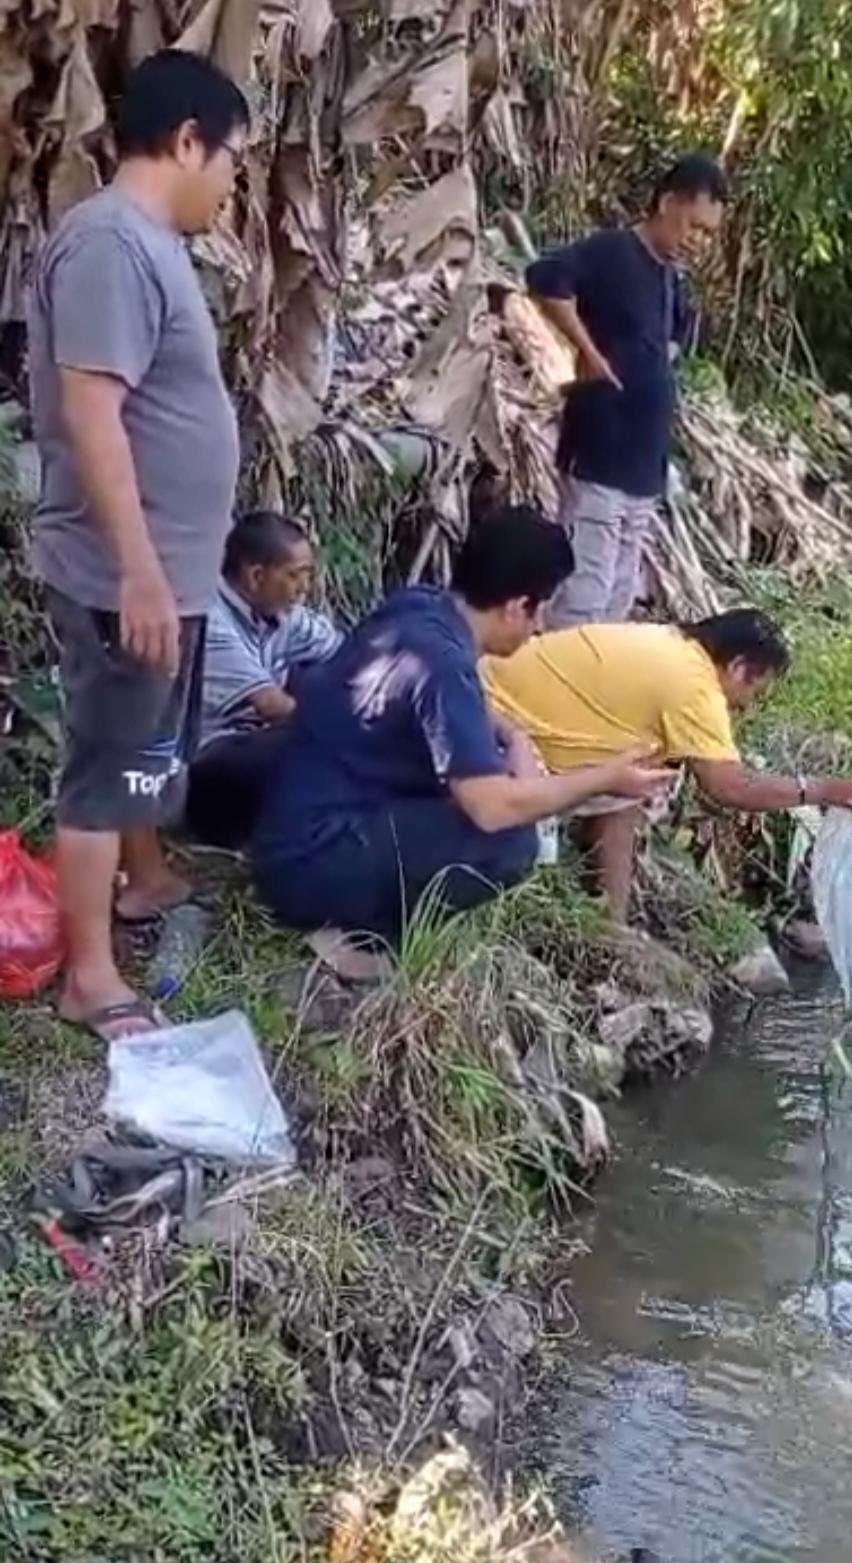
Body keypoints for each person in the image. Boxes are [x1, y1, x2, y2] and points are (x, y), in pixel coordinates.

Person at [28, 50, 249, 1041]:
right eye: (232, 158)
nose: (233, 182)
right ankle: (89, 976)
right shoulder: (110, 244)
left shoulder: (148, 244)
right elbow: (92, 411)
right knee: (106, 759)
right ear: (189, 140)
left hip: (164, 571)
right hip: (123, 572)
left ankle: (144, 877)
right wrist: (138, 570)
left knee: (147, 746)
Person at [252, 507, 672, 964]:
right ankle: (360, 933)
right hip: (310, 866)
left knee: (482, 790)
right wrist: (605, 778)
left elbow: (448, 717)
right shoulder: (445, 665)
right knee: (511, 844)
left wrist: (513, 735)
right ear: (516, 607)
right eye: (540, 612)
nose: (539, 628)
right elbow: (494, 810)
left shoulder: (417, 606)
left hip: (289, 834)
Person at [482, 607, 852, 922]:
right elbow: (730, 788)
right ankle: (521, 913)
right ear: (737, 667)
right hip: (490, 725)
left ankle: (611, 922)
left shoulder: (670, 642)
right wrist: (818, 790)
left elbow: (619, 801)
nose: (747, 705)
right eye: (754, 690)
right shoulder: (695, 689)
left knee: (632, 784)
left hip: (482, 684)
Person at [527, 152, 727, 629]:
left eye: (708, 234)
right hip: (599, 455)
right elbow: (544, 278)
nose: (698, 241)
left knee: (616, 600)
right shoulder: (612, 252)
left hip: (642, 468)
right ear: (666, 203)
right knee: (583, 597)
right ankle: (560, 675)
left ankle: (596, 678)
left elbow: (674, 337)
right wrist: (587, 352)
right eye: (694, 226)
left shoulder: (669, 278)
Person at [186, 512, 341, 849]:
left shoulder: (281, 612)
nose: (305, 588)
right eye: (295, 575)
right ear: (256, 576)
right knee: (311, 748)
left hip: (261, 734)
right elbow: (272, 705)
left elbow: (345, 655)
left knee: (323, 680)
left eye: (307, 575)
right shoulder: (210, 620)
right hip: (213, 757)